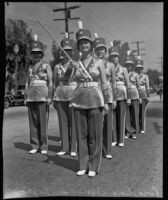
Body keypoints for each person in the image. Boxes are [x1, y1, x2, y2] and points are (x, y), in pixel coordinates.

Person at [69, 21, 109, 177]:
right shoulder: (75, 63)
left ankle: (93, 165)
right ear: (78, 46)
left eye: (86, 42)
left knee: (95, 135)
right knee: (81, 135)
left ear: (91, 45)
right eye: (81, 43)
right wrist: (71, 69)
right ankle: (83, 164)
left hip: (95, 100)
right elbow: (68, 82)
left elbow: (104, 84)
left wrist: (106, 103)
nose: (84, 45)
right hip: (79, 101)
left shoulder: (99, 62)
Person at [25, 34, 53, 154]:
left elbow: (51, 82)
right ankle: (34, 145)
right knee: (32, 123)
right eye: (34, 53)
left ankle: (44, 146)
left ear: (41, 54)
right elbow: (27, 82)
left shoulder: (46, 65)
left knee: (42, 122)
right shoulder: (30, 67)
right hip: (31, 96)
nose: (36, 55)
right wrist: (25, 97)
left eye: (38, 53)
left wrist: (50, 96)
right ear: (31, 54)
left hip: (43, 96)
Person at [53, 33, 77, 157]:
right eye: (64, 50)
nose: (66, 52)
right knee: (63, 122)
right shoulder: (57, 67)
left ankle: (73, 147)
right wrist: (53, 98)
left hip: (73, 96)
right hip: (60, 96)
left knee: (73, 122)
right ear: (61, 52)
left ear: (71, 52)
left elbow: (79, 80)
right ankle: (64, 147)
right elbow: (55, 83)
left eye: (68, 50)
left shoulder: (75, 65)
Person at [93, 33, 117, 159]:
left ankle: (107, 150)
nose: (99, 51)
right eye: (97, 49)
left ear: (105, 51)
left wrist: (115, 99)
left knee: (107, 123)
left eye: (101, 49)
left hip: (108, 94)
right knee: (96, 123)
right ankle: (97, 149)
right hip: (95, 93)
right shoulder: (93, 63)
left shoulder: (111, 65)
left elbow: (113, 82)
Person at [108, 42, 130, 147]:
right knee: (112, 117)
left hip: (121, 93)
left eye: (116, 56)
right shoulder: (108, 68)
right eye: (112, 57)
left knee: (120, 117)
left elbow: (128, 83)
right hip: (111, 94)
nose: (114, 58)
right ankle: (114, 138)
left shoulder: (124, 69)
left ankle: (121, 139)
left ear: (118, 57)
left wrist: (129, 98)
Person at [124, 51, 141, 139]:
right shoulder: (123, 72)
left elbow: (138, 86)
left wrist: (140, 97)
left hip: (134, 94)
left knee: (135, 113)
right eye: (127, 64)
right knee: (127, 113)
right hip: (126, 94)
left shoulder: (136, 74)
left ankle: (134, 131)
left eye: (130, 64)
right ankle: (127, 131)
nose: (129, 66)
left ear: (132, 65)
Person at [135, 56, 150, 134]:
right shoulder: (134, 75)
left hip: (143, 95)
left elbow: (147, 86)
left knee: (143, 112)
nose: (139, 69)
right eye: (137, 68)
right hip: (136, 94)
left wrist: (148, 96)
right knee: (137, 112)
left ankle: (142, 127)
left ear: (142, 68)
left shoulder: (145, 76)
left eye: (140, 68)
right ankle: (137, 127)